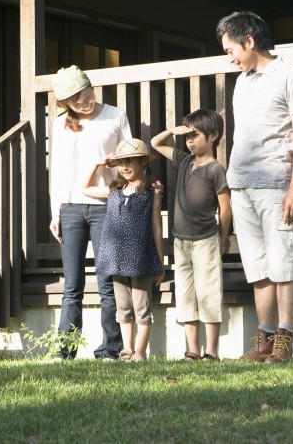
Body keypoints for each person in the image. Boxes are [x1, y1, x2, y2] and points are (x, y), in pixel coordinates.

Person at [216, 11, 293, 364]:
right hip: (240, 184)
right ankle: (265, 340)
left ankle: (285, 340)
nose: (230, 57)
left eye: (231, 49)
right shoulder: (243, 81)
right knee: (257, 267)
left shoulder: (290, 76)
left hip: (275, 184)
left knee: (283, 264)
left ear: (250, 41)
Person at [49, 65, 131, 360]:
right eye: (75, 101)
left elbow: (129, 159)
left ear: (91, 87)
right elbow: (57, 171)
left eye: (85, 95)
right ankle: (65, 349)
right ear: (66, 104)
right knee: (72, 285)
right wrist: (54, 212)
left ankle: (110, 349)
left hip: (104, 206)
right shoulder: (61, 124)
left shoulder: (116, 115)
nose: (83, 103)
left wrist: (115, 165)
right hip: (70, 208)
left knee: (107, 281)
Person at [151, 109, 231, 362]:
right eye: (188, 136)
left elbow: (225, 208)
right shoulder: (184, 161)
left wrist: (221, 238)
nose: (190, 141)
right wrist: (173, 131)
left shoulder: (215, 169)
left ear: (213, 136)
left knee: (208, 294)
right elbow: (155, 143)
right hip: (180, 241)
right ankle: (193, 350)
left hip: (206, 240)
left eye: (196, 135)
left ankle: (212, 351)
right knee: (186, 295)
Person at [83, 138, 164, 363]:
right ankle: (127, 350)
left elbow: (157, 225)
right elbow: (85, 189)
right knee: (124, 307)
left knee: (142, 307)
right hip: (116, 258)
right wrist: (98, 164)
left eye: (131, 161)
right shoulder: (114, 190)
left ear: (143, 163)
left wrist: (160, 259)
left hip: (140, 258)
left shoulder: (152, 190)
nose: (125, 167)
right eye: (121, 163)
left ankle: (140, 352)